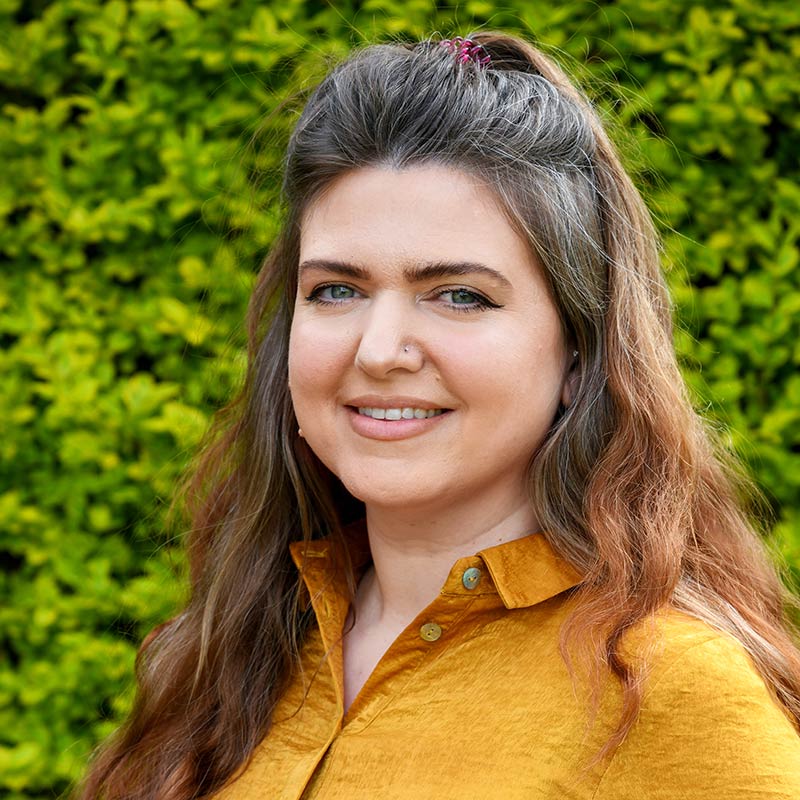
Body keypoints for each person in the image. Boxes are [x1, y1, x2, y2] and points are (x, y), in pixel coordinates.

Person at [76, 31, 800, 799]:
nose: (381, 349)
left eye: (460, 295)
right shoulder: (226, 656)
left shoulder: (670, 695)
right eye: (336, 290)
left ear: (580, 355)